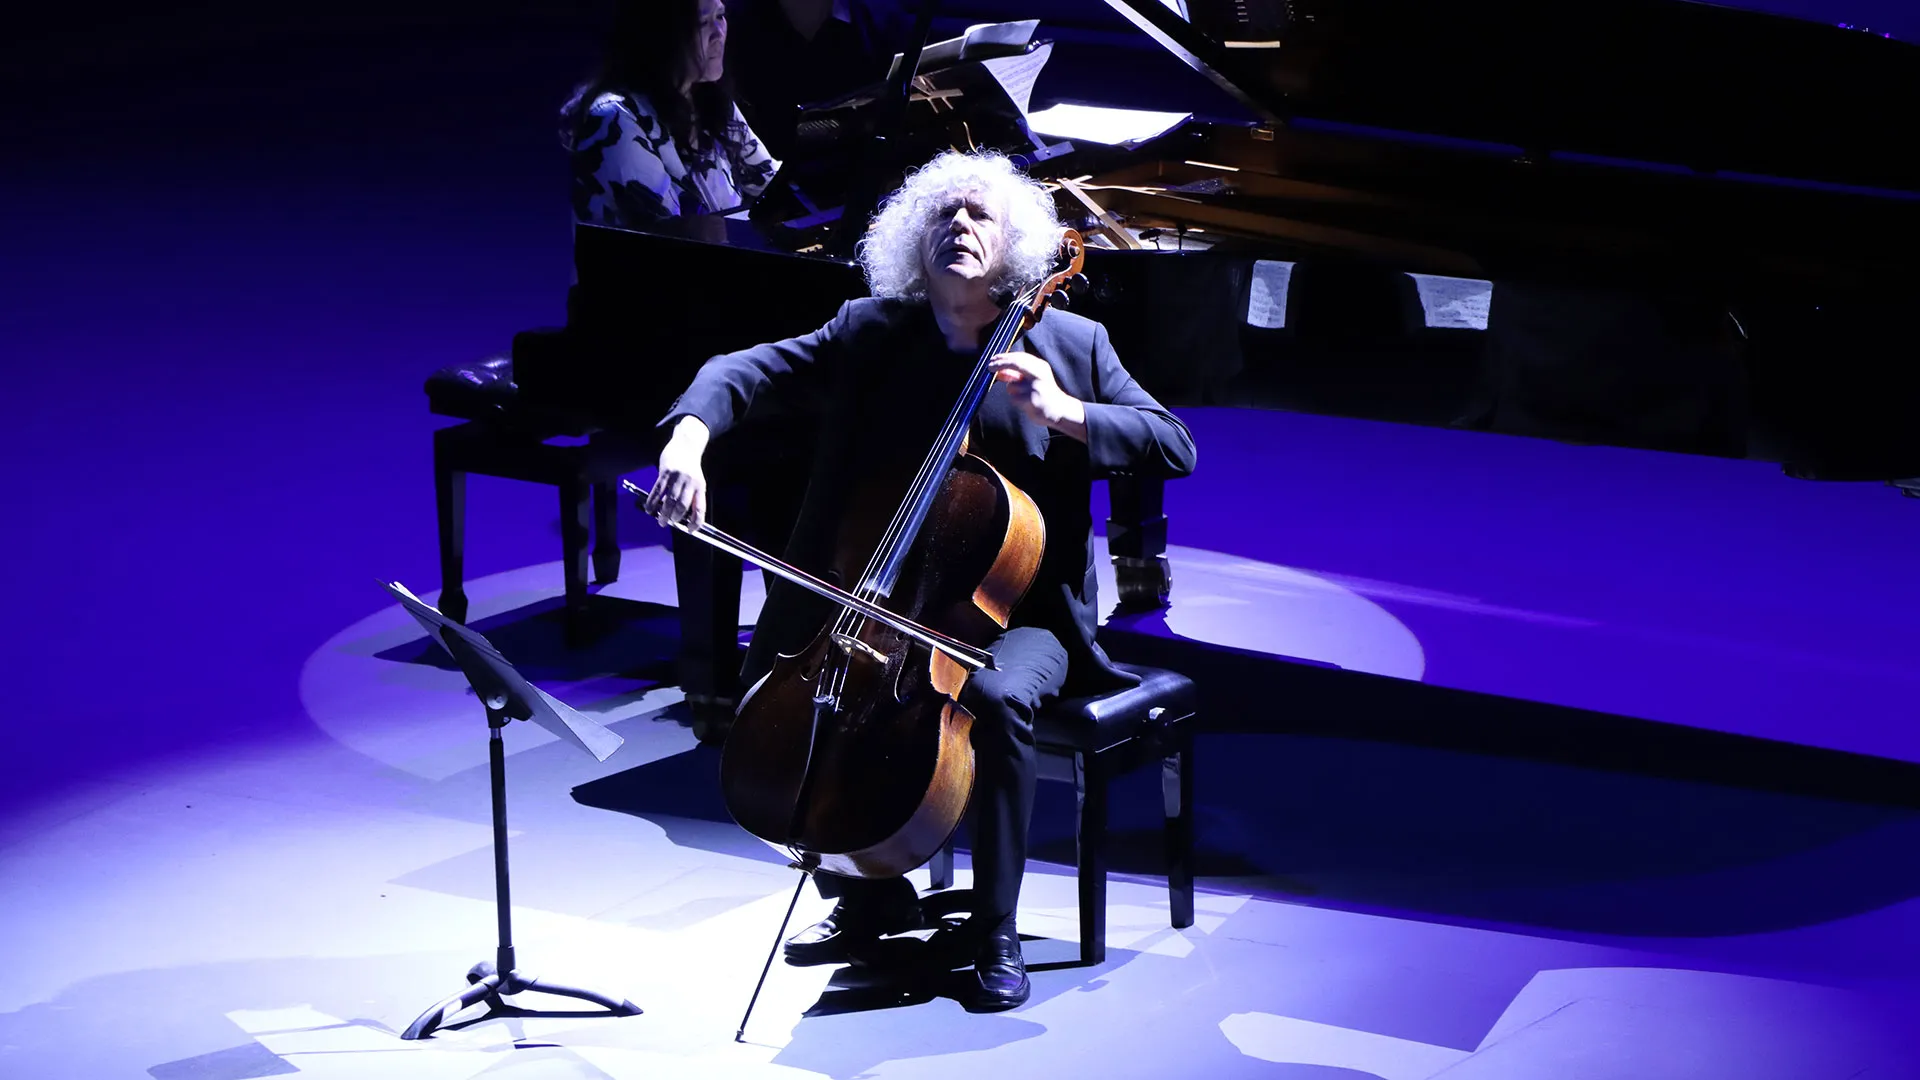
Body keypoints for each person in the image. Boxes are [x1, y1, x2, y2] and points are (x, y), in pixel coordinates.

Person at [643, 150, 1197, 1010]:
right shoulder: (871, 330)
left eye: (979, 214)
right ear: (914, 241)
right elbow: (740, 370)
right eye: (942, 215)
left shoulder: (1071, 344)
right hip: (878, 596)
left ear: (1015, 243)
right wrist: (687, 439)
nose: (959, 228)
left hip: (1023, 611)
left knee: (1002, 697)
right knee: (792, 673)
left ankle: (996, 929)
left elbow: (1174, 445)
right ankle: (865, 892)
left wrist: (1065, 414)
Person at [560, 0, 780, 229]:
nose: (718, 33)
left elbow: (775, 187)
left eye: (720, 16)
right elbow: (670, 244)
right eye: (702, 22)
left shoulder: (713, 101)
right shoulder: (616, 117)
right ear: (662, 33)